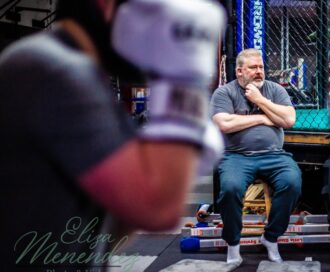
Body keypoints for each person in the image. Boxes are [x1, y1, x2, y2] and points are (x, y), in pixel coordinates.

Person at [0, 0, 224, 270]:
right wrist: (181, 74)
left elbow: (120, 218)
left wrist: (178, 150)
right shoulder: (53, 68)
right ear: (107, 5)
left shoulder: (79, 72)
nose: (156, 33)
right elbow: (156, 209)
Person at [210, 48, 302, 265]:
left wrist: (260, 100)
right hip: (237, 157)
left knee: (292, 183)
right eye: (253, 68)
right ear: (240, 71)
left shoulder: (274, 90)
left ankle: (270, 238)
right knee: (230, 189)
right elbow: (224, 123)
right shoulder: (224, 93)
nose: (259, 72)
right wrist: (264, 118)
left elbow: (288, 120)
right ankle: (233, 245)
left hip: (275, 156)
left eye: (261, 67)